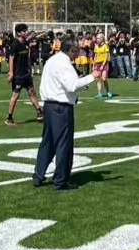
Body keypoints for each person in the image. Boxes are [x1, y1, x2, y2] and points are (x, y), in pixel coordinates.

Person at [33, 39, 96, 191]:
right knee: (63, 144)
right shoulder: (65, 64)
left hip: (49, 105)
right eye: (77, 52)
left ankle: (38, 175)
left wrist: (82, 84)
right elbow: (71, 85)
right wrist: (92, 76)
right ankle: (60, 179)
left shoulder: (52, 60)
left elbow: (65, 85)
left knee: (48, 142)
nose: (77, 55)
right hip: (61, 108)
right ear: (72, 51)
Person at [6, 25, 44, 126]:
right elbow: (11, 59)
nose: (26, 32)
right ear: (18, 33)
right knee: (15, 95)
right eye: (24, 31)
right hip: (18, 75)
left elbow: (33, 37)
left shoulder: (25, 43)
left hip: (26, 74)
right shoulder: (15, 44)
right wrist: (11, 73)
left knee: (32, 92)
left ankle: (40, 112)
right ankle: (9, 118)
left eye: (26, 30)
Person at [92, 33, 114, 99]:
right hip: (97, 64)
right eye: (96, 38)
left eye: (98, 38)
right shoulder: (96, 46)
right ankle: (99, 94)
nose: (97, 39)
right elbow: (95, 56)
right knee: (98, 79)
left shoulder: (105, 46)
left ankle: (108, 92)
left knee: (104, 79)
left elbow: (106, 56)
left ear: (102, 39)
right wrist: (93, 65)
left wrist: (103, 65)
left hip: (104, 63)